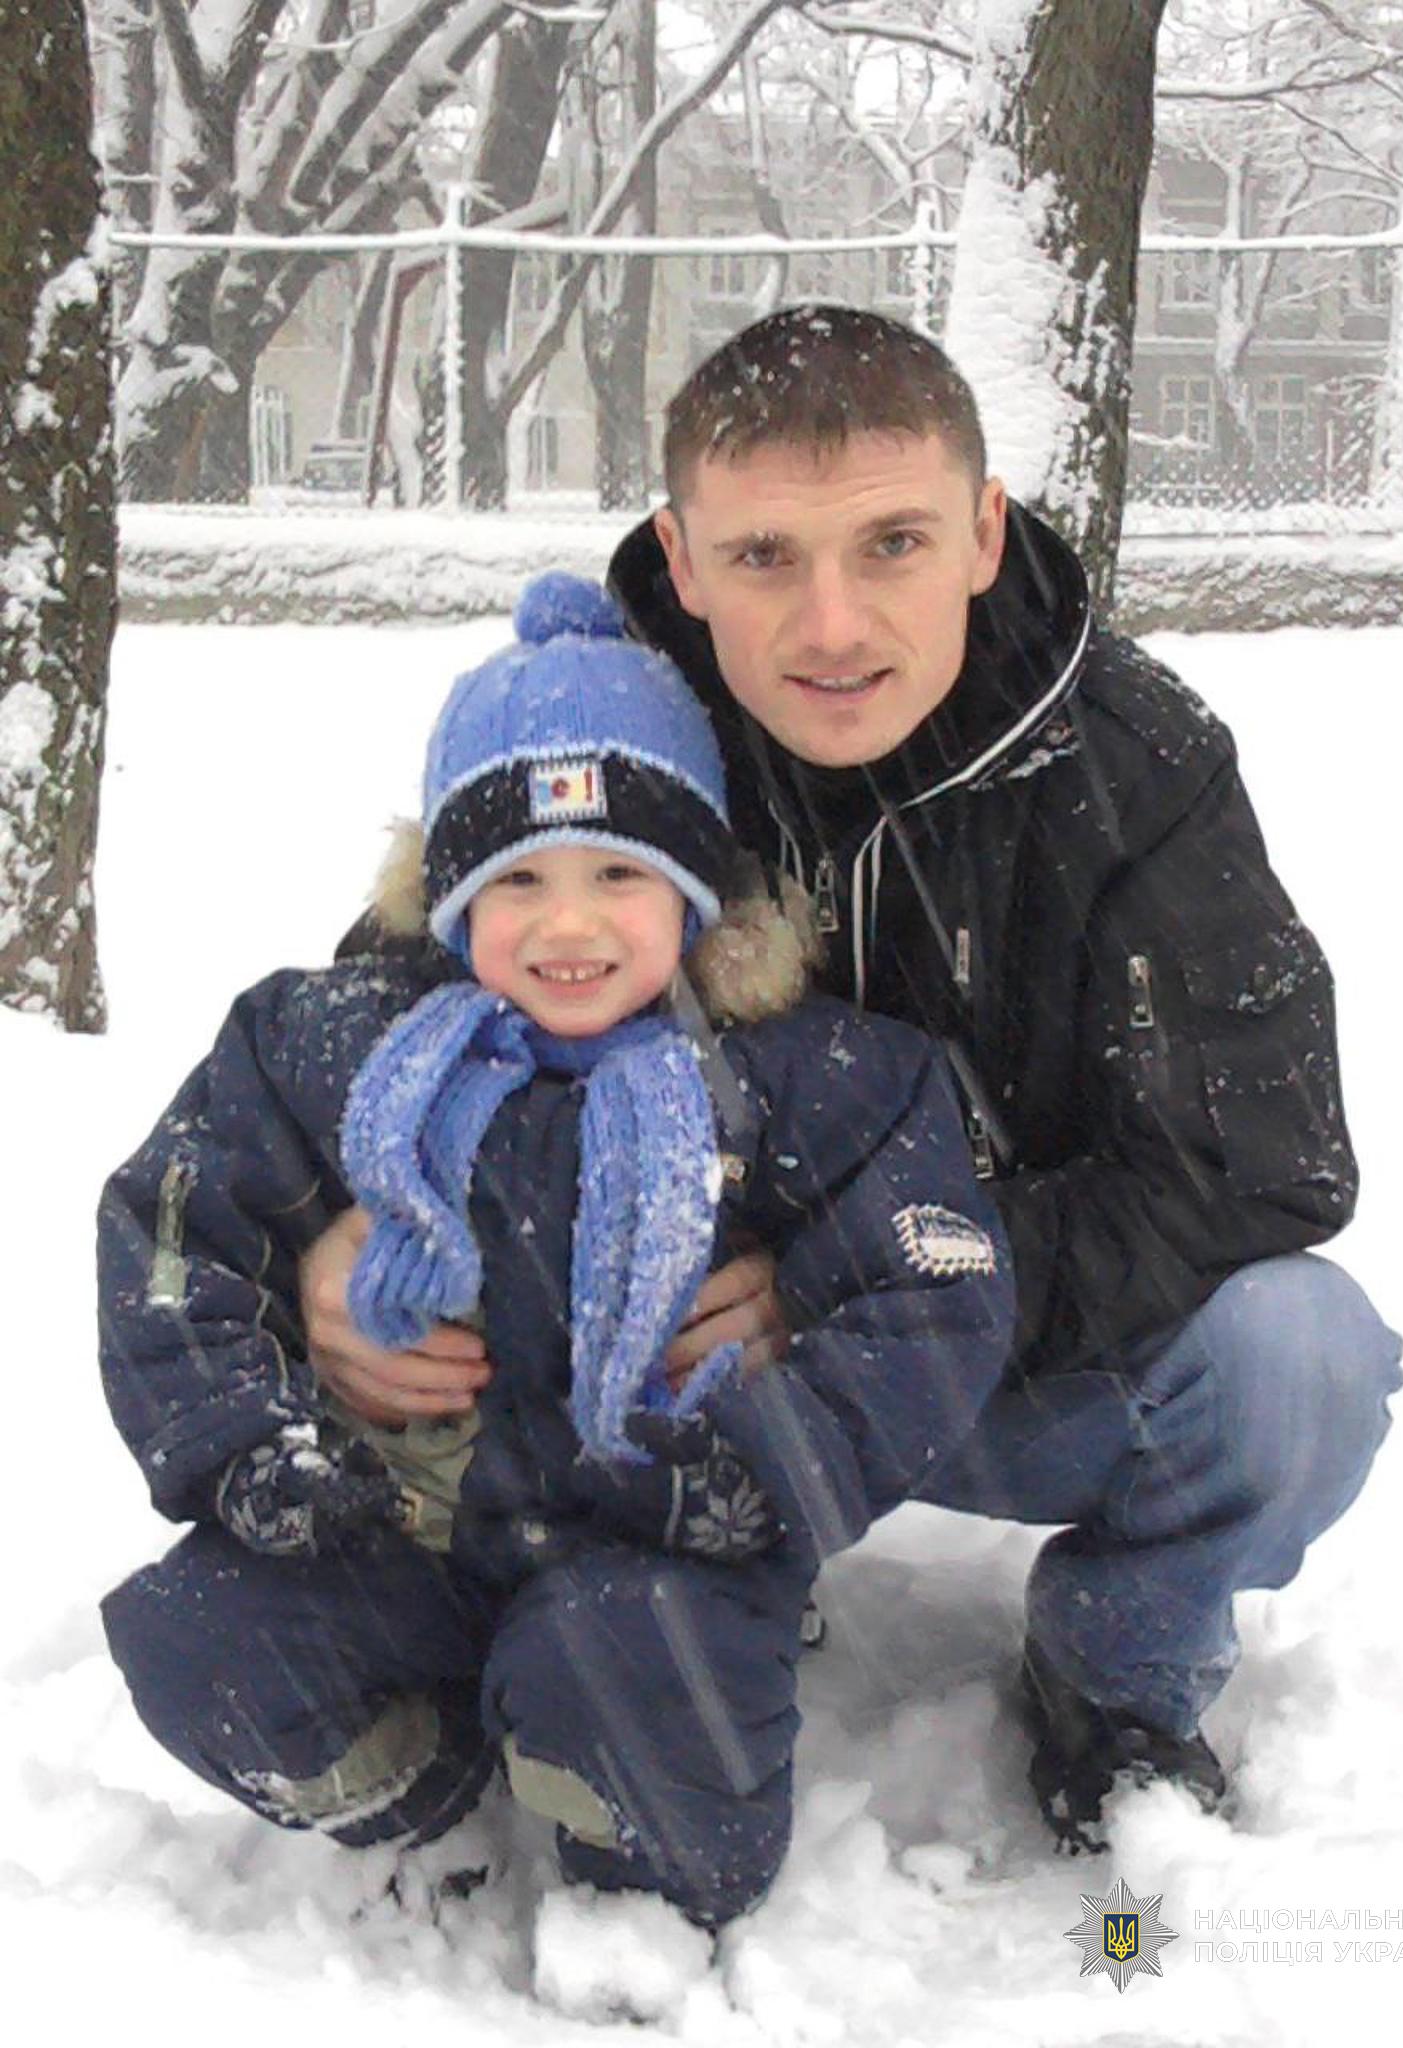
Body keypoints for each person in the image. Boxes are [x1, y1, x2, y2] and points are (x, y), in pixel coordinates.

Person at [302, 305, 1403, 1855]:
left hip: (982, 1355)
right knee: (396, 1293)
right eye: (764, 557)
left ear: (982, 532)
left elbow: (1262, 1162)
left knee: (1303, 1361)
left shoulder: (1133, 763)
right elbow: (373, 1008)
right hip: (650, 1356)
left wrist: (860, 1287)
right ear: (683, 559)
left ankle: (1117, 1672)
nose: (831, 625)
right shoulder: (596, 723)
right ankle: (536, 1654)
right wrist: (340, 1218)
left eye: (892, 543)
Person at [97, 572, 1016, 1930]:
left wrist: (759, 1468)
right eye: (518, 879)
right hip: (403, 1533)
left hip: (661, 1553)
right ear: (450, 898)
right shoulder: (331, 1046)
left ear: (694, 894)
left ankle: (628, 1895)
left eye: (619, 875)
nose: (569, 924)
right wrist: (249, 1445)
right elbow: (172, 1232)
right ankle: (433, 1788)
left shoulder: (805, 1077)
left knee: (636, 1687)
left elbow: (932, 1294)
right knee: (201, 1641)